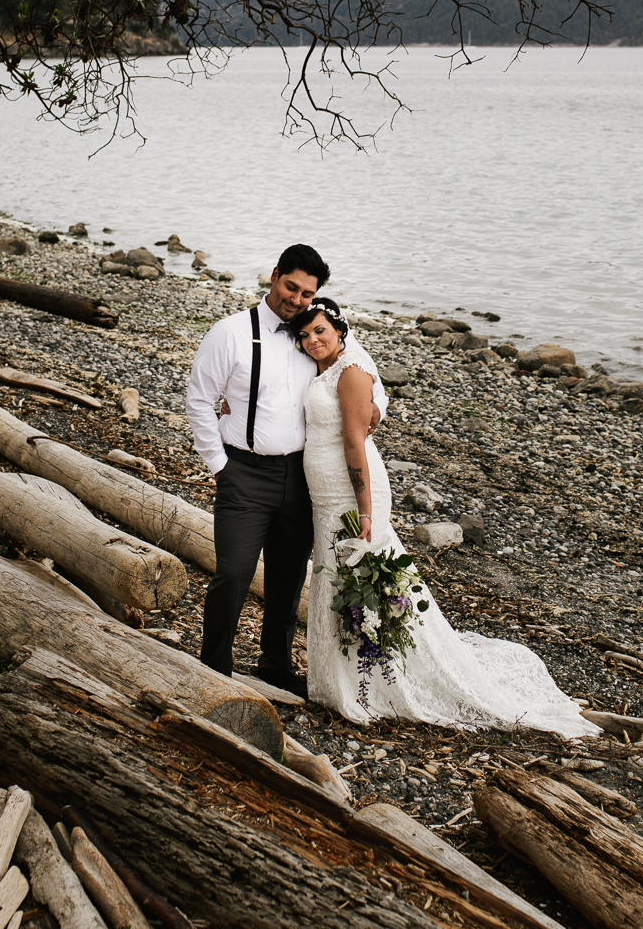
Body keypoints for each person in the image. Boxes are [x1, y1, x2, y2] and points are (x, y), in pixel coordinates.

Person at [290, 297, 596, 736]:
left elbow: (355, 442)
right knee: (335, 575)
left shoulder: (351, 372)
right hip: (324, 495)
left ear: (339, 329)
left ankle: (376, 684)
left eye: (319, 330)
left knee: (360, 576)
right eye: (304, 334)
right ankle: (349, 680)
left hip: (350, 491)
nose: (312, 340)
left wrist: (365, 510)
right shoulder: (324, 369)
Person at [185, 245, 385, 697]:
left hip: (304, 476)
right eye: (291, 286)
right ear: (274, 276)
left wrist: (377, 409)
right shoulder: (231, 333)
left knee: (288, 576)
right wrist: (220, 466)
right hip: (245, 473)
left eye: (307, 292)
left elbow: (363, 372)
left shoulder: (317, 332)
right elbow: (199, 401)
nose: (296, 298)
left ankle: (274, 664)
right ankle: (213, 665)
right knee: (233, 574)